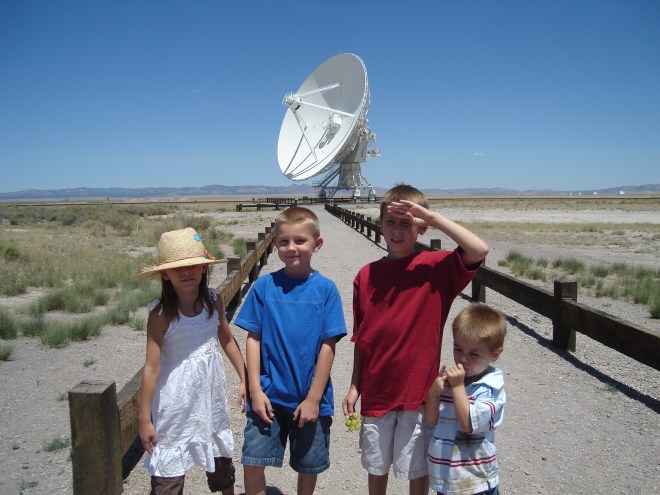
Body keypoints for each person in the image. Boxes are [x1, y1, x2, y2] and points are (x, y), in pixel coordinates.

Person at [342, 183, 490, 495]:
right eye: (390, 222)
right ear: (380, 224)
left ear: (420, 228)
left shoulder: (436, 269)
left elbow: (478, 250)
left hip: (418, 393)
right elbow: (362, 340)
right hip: (376, 392)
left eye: (406, 224)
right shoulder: (365, 277)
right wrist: (356, 385)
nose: (396, 231)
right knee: (376, 467)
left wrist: (433, 218)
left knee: (416, 471)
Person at [235, 206, 347, 495]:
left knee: (308, 465)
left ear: (317, 244)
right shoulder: (264, 287)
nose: (291, 248)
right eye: (284, 241)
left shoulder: (326, 290)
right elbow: (253, 338)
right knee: (253, 459)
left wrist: (313, 398)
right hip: (268, 395)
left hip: (310, 398)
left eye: (300, 241)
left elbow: (328, 345)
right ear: (275, 246)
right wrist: (255, 389)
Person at [138, 227, 247, 495]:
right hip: (174, 404)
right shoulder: (161, 315)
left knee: (221, 462)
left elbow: (227, 339)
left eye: (194, 266)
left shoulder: (213, 301)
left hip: (210, 397)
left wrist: (245, 378)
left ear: (203, 269)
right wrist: (144, 419)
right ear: (165, 273)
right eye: (178, 268)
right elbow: (151, 368)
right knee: (170, 472)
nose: (187, 273)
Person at [425, 303, 507, 495]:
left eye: (474, 354)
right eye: (458, 349)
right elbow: (431, 419)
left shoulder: (490, 387)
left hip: (475, 480)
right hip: (447, 478)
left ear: (494, 354)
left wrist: (458, 386)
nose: (463, 359)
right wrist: (434, 393)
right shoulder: (453, 380)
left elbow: (468, 424)